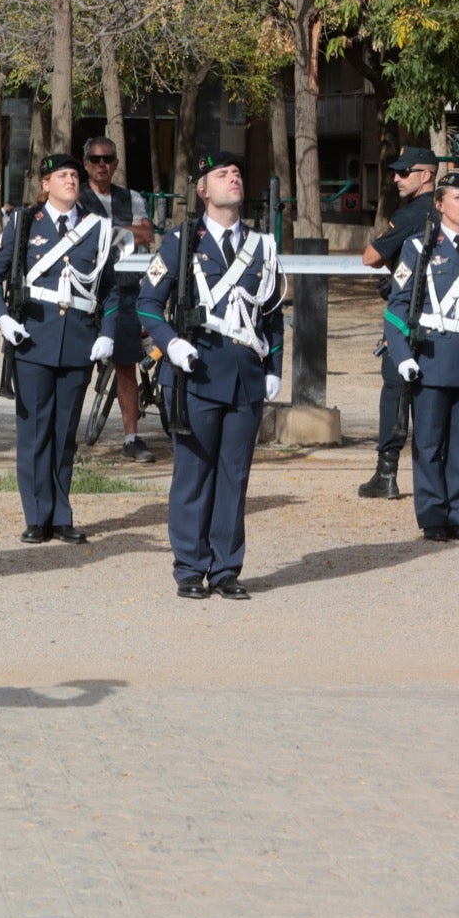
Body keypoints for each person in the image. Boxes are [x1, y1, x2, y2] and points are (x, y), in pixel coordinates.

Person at [138, 152, 285, 600]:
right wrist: (171, 341)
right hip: (195, 372)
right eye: (222, 174)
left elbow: (272, 315)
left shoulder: (262, 247)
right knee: (193, 474)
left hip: (244, 375)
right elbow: (147, 302)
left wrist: (274, 366)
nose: (233, 178)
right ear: (203, 190)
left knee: (234, 475)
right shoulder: (181, 241)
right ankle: (189, 567)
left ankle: (226, 570)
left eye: (237, 173)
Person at [0, 153, 119, 544]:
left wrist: (107, 331)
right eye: (62, 175)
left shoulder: (98, 230)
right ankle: (37, 515)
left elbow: (108, 289)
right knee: (35, 433)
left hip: (78, 340)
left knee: (64, 434)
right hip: (34, 338)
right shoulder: (24, 224)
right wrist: (3, 318)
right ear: (45, 185)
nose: (71, 180)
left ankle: (62, 515)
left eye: (75, 175)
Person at [382, 172, 459, 542]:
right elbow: (396, 308)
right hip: (431, 357)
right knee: (428, 443)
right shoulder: (418, 247)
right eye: (458, 197)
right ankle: (432, 517)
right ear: (440, 204)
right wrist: (401, 355)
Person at [358, 146, 439, 498]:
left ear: (427, 175)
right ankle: (433, 477)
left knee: (395, 389)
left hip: (408, 316)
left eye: (405, 172)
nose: (396, 178)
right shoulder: (448, 213)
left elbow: (370, 256)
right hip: (444, 321)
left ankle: (386, 473)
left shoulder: (411, 215)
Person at [80, 137, 157, 462]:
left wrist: (107, 230)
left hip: (125, 290)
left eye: (108, 159)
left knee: (126, 364)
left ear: (114, 163)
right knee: (75, 366)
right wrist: (126, 230)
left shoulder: (132, 197)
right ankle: (64, 438)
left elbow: (147, 234)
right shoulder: (76, 196)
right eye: (95, 159)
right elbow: (133, 233)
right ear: (86, 163)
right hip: (86, 290)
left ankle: (131, 437)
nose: (102, 164)